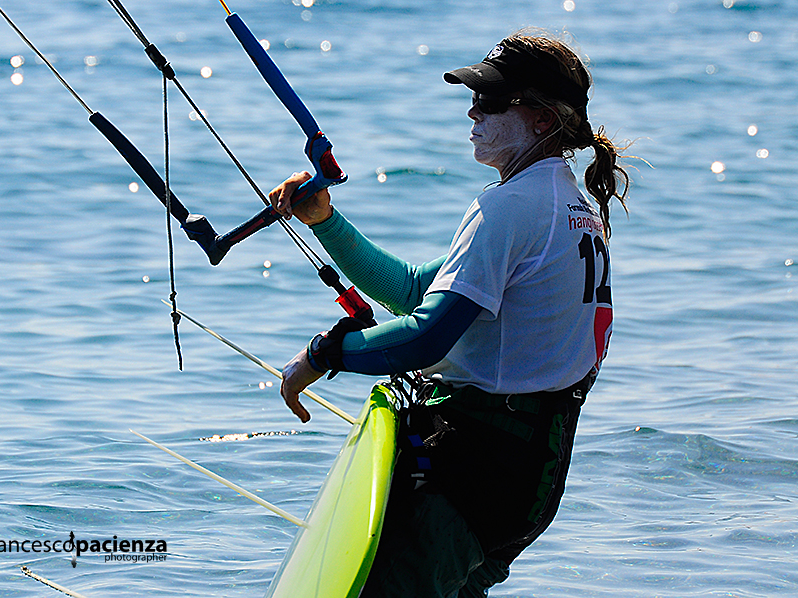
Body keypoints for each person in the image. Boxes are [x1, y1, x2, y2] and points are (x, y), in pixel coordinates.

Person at [269, 30, 631, 598]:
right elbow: (417, 289)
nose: (472, 110)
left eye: (490, 101)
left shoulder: (509, 208)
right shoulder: (567, 205)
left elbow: (426, 337)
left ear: (540, 119)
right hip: (531, 475)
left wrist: (324, 354)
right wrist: (325, 222)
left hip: (475, 471)